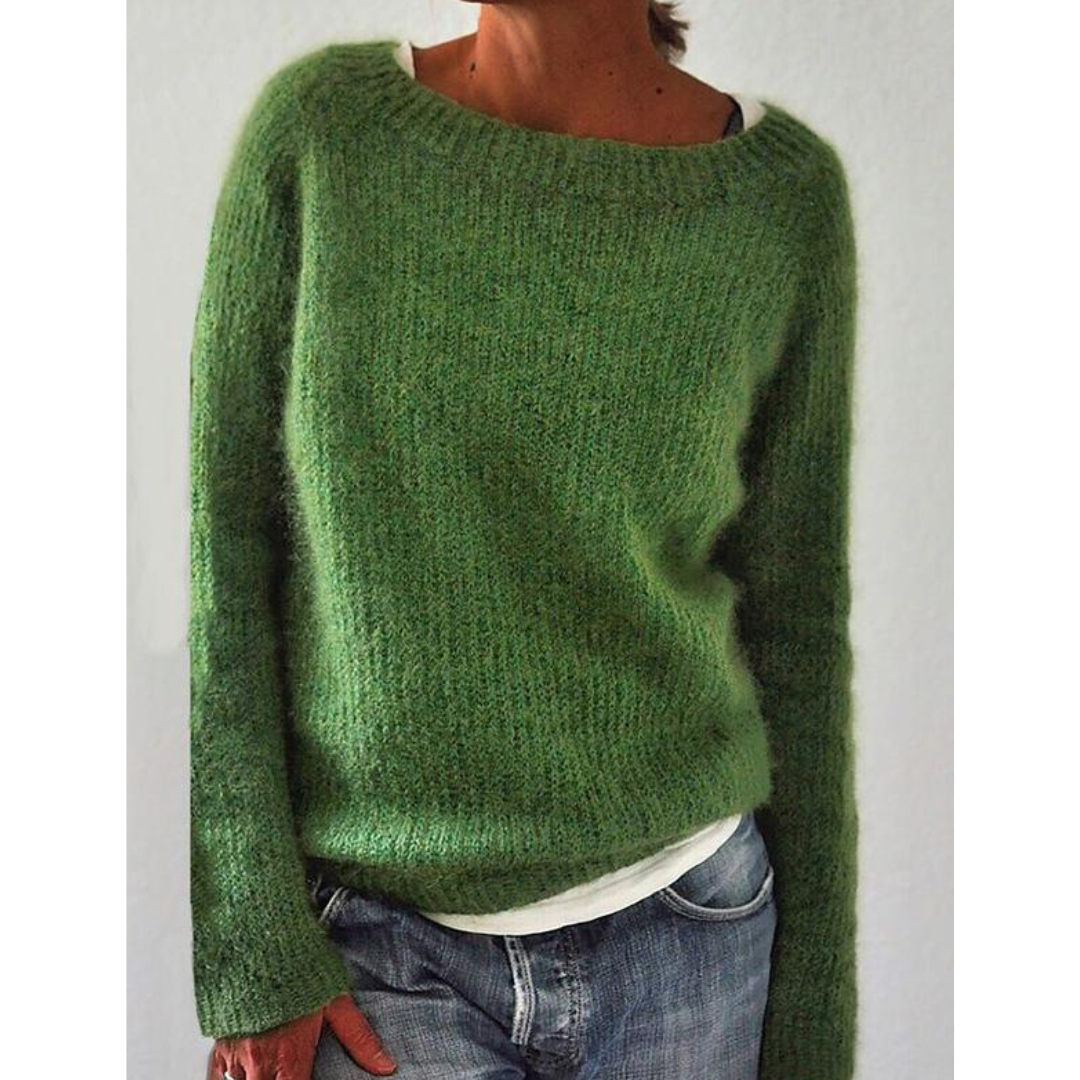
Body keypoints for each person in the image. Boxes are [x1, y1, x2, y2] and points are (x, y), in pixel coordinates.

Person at [188, 2, 861, 1079]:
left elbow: (798, 619)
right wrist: (254, 947)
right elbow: (228, 557)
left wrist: (812, 1031)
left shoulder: (777, 201)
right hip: (380, 953)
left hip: (692, 941)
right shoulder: (322, 137)